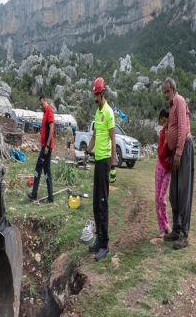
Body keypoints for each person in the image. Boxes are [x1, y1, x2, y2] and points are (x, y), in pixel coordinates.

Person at [85, 77, 117, 261]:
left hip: (105, 162)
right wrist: (86, 152)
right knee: (96, 203)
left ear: (102, 93)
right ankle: (98, 239)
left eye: (97, 94)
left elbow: (113, 139)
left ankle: (105, 245)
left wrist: (113, 165)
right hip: (98, 161)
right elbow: (95, 136)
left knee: (103, 204)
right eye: (94, 94)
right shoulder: (97, 113)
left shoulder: (109, 113)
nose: (95, 97)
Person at [162, 78, 194, 250]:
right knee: (174, 192)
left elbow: (182, 128)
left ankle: (184, 235)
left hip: (184, 151)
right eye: (164, 92)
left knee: (184, 192)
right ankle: (176, 228)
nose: (166, 94)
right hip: (176, 153)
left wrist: (179, 152)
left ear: (173, 89)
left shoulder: (179, 101)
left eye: (167, 91)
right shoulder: (171, 105)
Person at [27, 94, 55, 203]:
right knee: (47, 171)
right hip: (45, 146)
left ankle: (34, 194)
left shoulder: (49, 111)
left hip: (47, 148)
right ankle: (50, 197)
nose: (41, 106)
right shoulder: (44, 113)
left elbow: (52, 129)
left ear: (45, 101)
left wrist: (47, 145)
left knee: (38, 168)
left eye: (42, 104)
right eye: (40, 105)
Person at [154, 108, 171, 236]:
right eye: (161, 121)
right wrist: (165, 143)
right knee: (157, 198)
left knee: (162, 198)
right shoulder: (162, 133)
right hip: (160, 166)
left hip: (168, 170)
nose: (163, 123)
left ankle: (166, 224)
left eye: (165, 120)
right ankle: (162, 227)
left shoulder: (172, 132)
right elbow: (161, 153)